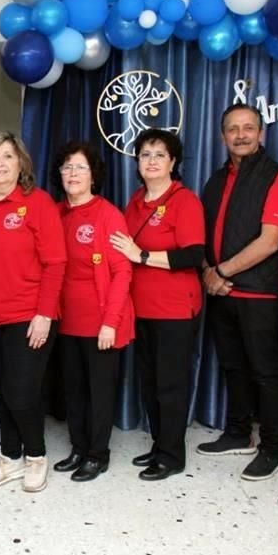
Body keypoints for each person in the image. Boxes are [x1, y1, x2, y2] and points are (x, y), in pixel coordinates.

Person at [0, 131, 66, 493]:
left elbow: (55, 262)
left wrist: (45, 314)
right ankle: (10, 459)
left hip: (28, 316)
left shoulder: (38, 203)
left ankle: (36, 457)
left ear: (21, 163)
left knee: (22, 392)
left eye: (7, 156)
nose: (0, 163)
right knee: (4, 390)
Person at [198, 104, 278, 481]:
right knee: (232, 367)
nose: (240, 135)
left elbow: (270, 242)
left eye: (248, 128)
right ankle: (239, 433)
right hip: (221, 292)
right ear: (223, 136)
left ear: (261, 134)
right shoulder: (216, 179)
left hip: (258, 294)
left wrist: (220, 272)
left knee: (266, 373)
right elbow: (204, 235)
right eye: (233, 129)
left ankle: (271, 446)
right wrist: (210, 273)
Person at [110, 129, 205, 481]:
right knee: (149, 382)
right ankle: (159, 444)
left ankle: (172, 455)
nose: (151, 161)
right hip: (140, 308)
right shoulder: (135, 201)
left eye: (159, 155)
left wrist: (143, 255)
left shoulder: (185, 201)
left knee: (170, 384)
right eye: (145, 154)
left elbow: (194, 254)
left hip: (175, 309)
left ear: (173, 162)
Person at [52, 141, 133, 482]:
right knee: (74, 390)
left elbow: (122, 272)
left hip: (102, 323)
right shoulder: (55, 213)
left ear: (93, 176)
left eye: (80, 167)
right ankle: (78, 447)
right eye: (67, 167)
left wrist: (110, 323)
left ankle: (98, 454)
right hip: (66, 322)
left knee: (99, 393)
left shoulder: (108, 215)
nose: (73, 174)